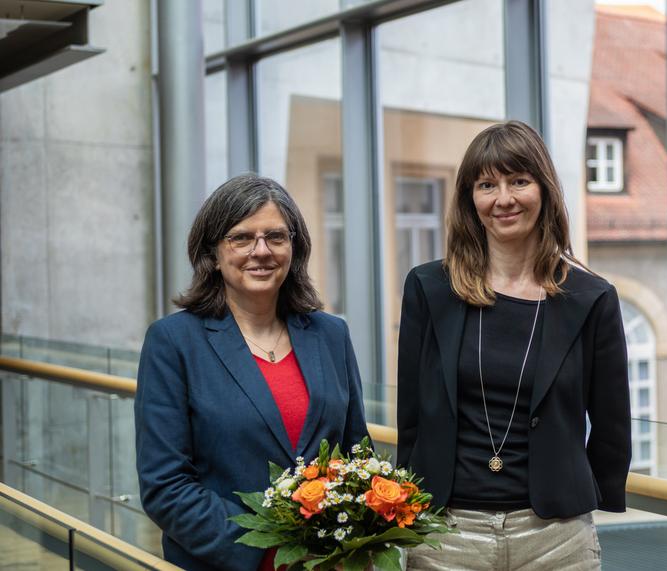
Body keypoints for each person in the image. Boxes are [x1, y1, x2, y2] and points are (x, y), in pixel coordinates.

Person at [397, 121, 631, 570]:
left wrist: (590, 496)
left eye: (518, 181)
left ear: (543, 191)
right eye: (487, 184)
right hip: (447, 534)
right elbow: (412, 417)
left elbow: (611, 424)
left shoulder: (591, 298)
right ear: (470, 198)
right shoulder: (429, 289)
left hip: (556, 538)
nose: (503, 199)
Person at [135, 174, 369, 571]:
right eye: (241, 238)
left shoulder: (331, 334)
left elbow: (355, 455)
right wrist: (272, 549)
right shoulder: (173, 342)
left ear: (294, 247)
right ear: (212, 252)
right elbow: (165, 487)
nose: (261, 251)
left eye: (276, 237)